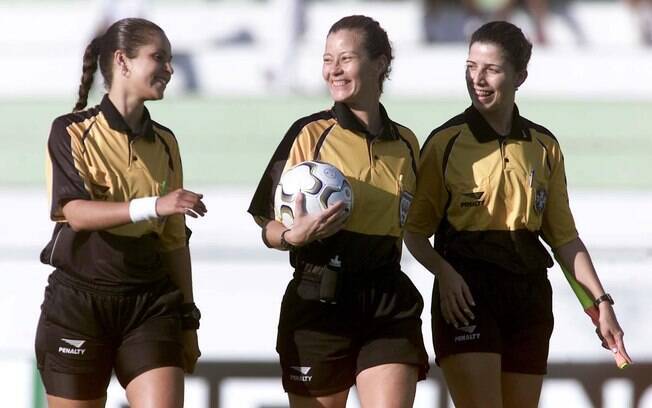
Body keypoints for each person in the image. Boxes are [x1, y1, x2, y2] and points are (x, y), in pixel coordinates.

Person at [404, 21, 632, 408]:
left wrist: (600, 302)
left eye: (491, 69)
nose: (477, 78)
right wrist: (444, 272)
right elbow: (413, 233)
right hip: (468, 299)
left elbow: (563, 238)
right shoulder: (445, 142)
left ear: (520, 75)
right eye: (470, 66)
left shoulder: (544, 146)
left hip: (528, 301)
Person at [248, 15, 429, 408]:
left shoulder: (407, 143)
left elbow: (414, 228)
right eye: (327, 59)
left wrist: (446, 275)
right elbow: (266, 223)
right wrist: (291, 236)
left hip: (387, 301)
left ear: (379, 63)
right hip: (319, 301)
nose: (333, 69)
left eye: (345, 59)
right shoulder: (309, 133)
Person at [35, 18, 206, 408]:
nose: (169, 69)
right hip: (78, 305)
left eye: (170, 59)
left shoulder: (165, 142)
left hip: (149, 303)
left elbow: (174, 241)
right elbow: (74, 212)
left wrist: (188, 320)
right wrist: (153, 206)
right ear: (122, 62)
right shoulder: (70, 131)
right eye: (158, 58)